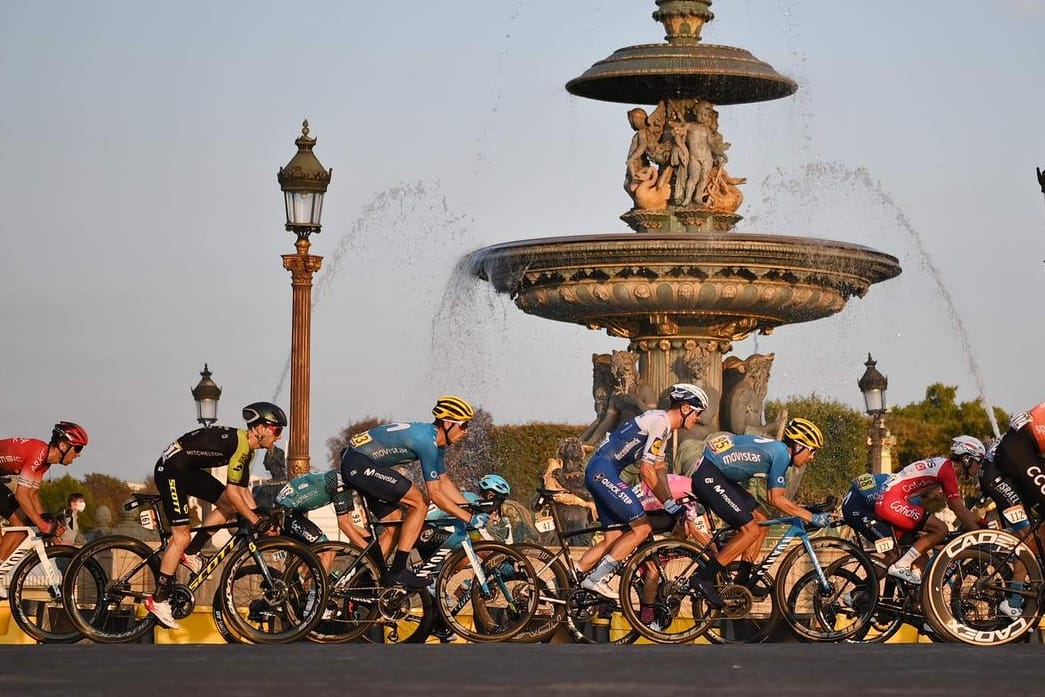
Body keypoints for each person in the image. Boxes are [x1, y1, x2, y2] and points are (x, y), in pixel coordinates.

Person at [143, 401, 287, 630]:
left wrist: (260, 514)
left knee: (228, 507)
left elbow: (240, 490)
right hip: (171, 471)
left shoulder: (245, 449)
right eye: (277, 430)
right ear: (259, 428)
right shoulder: (240, 447)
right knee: (181, 537)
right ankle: (158, 599)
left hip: (187, 470)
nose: (278, 437)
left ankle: (190, 553)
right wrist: (254, 520)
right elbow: (233, 491)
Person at [579, 383, 710, 599]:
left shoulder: (663, 424)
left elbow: (659, 469)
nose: (698, 419)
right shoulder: (661, 423)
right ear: (686, 408)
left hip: (601, 471)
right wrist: (669, 504)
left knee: (613, 539)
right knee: (642, 529)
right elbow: (646, 469)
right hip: (604, 472)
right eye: (698, 413)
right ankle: (596, 579)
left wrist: (670, 501)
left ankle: (562, 580)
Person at [687, 417, 829, 608]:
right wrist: (812, 517)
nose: (812, 457)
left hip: (717, 473)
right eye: (812, 451)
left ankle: (743, 580)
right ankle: (703, 578)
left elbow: (779, 498)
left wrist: (808, 509)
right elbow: (775, 499)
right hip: (709, 474)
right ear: (798, 446)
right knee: (750, 530)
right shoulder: (781, 455)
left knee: (762, 522)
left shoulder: (779, 450)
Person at [340, 396, 478, 591]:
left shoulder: (436, 443)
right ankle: (397, 571)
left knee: (394, 524)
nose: (466, 431)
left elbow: (444, 482)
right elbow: (436, 494)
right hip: (359, 464)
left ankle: (364, 584)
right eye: (464, 425)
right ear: (448, 423)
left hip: (359, 462)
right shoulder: (426, 442)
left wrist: (470, 507)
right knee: (420, 502)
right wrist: (468, 518)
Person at [875, 435, 986, 585]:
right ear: (967, 458)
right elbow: (957, 508)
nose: (980, 466)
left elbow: (957, 507)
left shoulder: (944, 466)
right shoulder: (948, 470)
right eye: (979, 461)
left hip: (890, 500)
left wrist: (977, 521)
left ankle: (897, 593)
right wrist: (980, 535)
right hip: (892, 501)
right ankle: (900, 566)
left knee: (921, 556)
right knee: (940, 529)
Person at [0, 422, 88, 569]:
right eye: (78, 448)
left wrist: (47, 521)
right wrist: (43, 526)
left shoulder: (44, 463)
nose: (78, 454)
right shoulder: (38, 453)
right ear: (64, 445)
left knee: (22, 522)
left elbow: (32, 495)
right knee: (24, 520)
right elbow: (21, 495)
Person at [276, 469, 395, 571]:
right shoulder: (339, 484)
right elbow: (343, 524)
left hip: (293, 512)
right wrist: (370, 552)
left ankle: (303, 585)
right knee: (327, 553)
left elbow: (350, 522)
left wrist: (373, 544)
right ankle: (315, 596)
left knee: (321, 554)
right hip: (286, 513)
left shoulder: (346, 482)